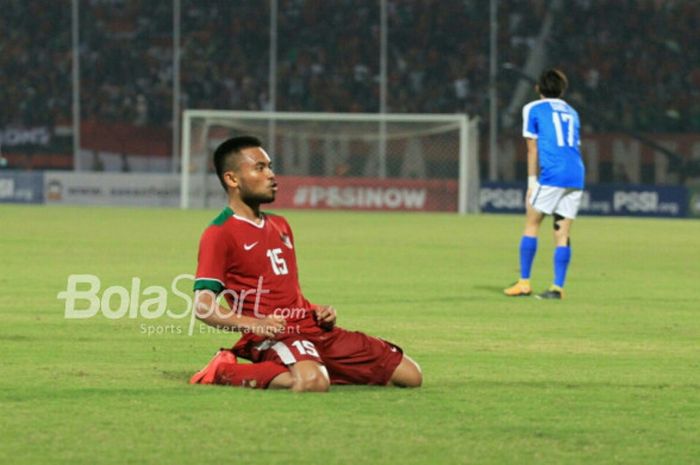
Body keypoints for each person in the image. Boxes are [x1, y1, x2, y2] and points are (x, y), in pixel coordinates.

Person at [189, 136, 423, 391]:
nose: (271, 175)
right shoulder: (220, 233)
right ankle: (224, 370)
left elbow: (287, 293)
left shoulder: (281, 225)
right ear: (232, 179)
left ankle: (309, 363)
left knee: (410, 376)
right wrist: (254, 324)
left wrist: (317, 310)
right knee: (313, 383)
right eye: (260, 168)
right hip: (273, 335)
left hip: (312, 328)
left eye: (270, 166)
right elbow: (203, 308)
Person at [504, 69, 585, 300]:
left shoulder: (533, 108)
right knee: (563, 231)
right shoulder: (572, 111)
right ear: (562, 89)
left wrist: (531, 182)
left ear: (538, 88)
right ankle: (557, 287)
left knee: (532, 223)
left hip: (552, 174)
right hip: (576, 174)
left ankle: (524, 282)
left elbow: (532, 147)